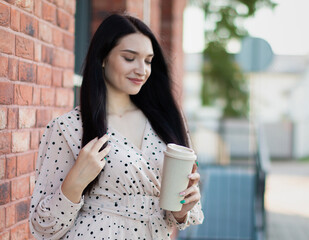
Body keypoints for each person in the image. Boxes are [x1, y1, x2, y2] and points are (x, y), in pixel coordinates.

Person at [29, 13, 204, 240]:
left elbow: (179, 216)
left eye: (148, 60)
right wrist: (75, 181)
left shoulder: (168, 120)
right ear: (103, 57)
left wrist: (182, 210)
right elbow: (42, 227)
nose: (142, 70)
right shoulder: (68, 128)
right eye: (129, 58)